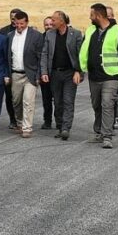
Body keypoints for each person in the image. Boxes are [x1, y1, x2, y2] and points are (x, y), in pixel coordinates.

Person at [79, 3, 118, 149]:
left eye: (91, 15)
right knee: (96, 105)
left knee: (107, 104)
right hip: (94, 76)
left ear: (98, 16)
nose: (90, 18)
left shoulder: (117, 31)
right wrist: (79, 70)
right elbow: (83, 51)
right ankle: (99, 132)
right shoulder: (90, 30)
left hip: (111, 75)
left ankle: (107, 136)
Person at [40, 11, 83, 141]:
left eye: (54, 20)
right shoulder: (49, 34)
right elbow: (45, 54)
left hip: (70, 73)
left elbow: (80, 54)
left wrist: (78, 71)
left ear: (62, 21)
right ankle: (60, 126)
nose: (51, 23)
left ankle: (66, 128)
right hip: (55, 73)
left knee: (68, 101)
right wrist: (44, 72)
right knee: (58, 102)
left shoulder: (75, 34)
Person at [6, 10, 44, 138]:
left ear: (27, 22)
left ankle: (27, 127)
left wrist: (39, 74)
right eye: (17, 23)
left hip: (30, 74)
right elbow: (7, 57)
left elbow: (40, 57)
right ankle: (20, 122)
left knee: (28, 101)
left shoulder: (36, 36)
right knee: (16, 101)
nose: (19, 26)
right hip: (15, 74)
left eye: (22, 23)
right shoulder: (10, 36)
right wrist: (8, 74)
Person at [0, 9, 21, 129]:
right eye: (12, 17)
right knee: (9, 96)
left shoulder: (25, 30)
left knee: (20, 97)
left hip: (20, 68)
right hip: (7, 68)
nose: (13, 19)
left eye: (16, 17)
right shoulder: (3, 32)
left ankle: (20, 118)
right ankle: (13, 119)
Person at [39, 16, 56, 129]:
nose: (48, 27)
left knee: (59, 100)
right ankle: (47, 120)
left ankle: (60, 121)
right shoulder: (40, 38)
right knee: (46, 100)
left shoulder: (58, 37)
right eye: (46, 25)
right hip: (44, 74)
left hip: (56, 73)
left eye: (50, 24)